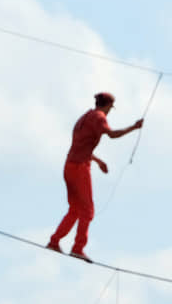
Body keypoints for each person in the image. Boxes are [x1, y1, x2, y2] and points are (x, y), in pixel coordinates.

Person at [46, 92, 143, 263]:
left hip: (69, 166)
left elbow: (81, 145)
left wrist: (97, 161)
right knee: (88, 211)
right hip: (80, 168)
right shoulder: (99, 117)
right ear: (108, 106)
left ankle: (54, 241)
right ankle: (78, 248)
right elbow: (112, 135)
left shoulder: (84, 117)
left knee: (75, 209)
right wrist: (134, 127)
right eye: (110, 109)